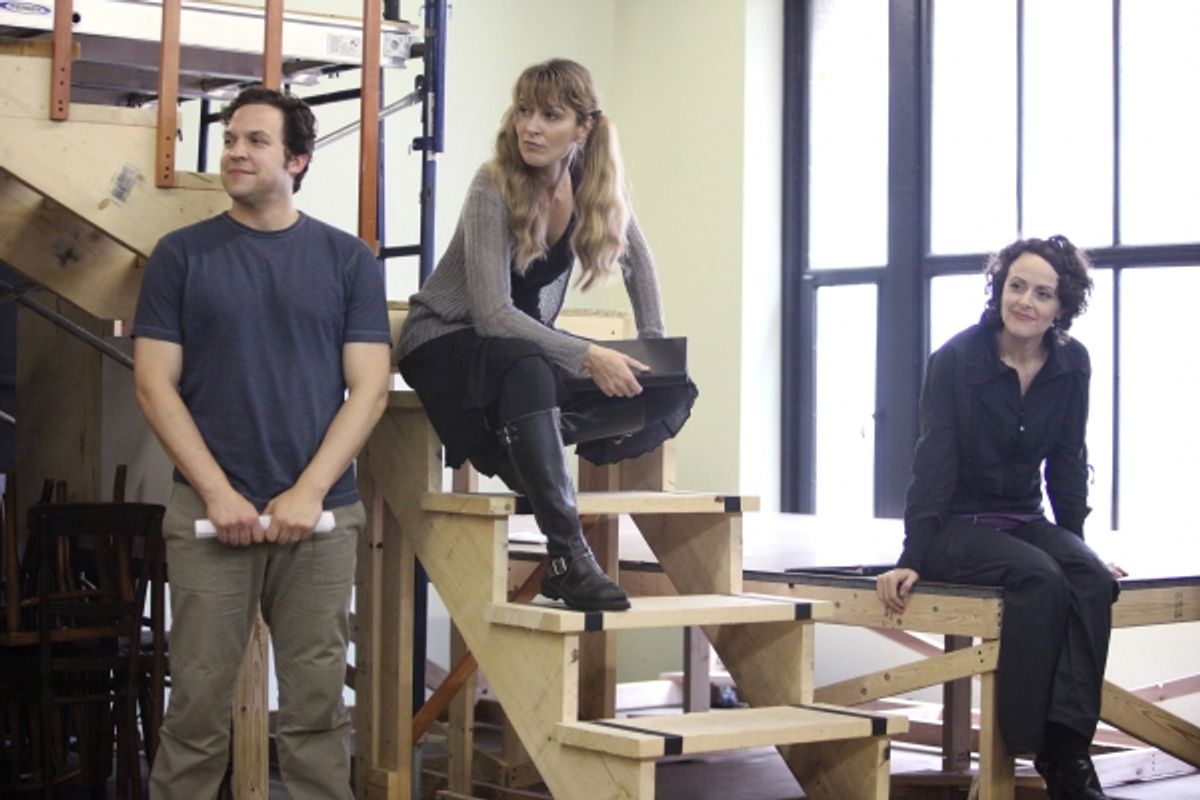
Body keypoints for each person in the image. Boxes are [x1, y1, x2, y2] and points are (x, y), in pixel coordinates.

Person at [132, 86, 391, 799]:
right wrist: (218, 492)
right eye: (230, 139)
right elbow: (154, 384)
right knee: (195, 714)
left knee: (314, 714)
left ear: (298, 160)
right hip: (209, 516)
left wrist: (308, 491)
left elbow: (368, 388)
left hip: (319, 522)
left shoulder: (348, 261)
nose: (236, 152)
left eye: (256, 141)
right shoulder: (181, 256)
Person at [397, 58, 697, 612]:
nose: (530, 126)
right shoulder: (494, 184)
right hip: (446, 341)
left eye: (551, 115)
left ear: (582, 129)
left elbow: (639, 260)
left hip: (517, 356)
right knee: (531, 369)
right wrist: (587, 355)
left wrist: (650, 344)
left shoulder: (591, 183)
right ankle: (569, 559)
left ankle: (528, 441)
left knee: (672, 386)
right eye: (524, 111)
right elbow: (491, 315)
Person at [875, 235, 1124, 800]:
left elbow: (1067, 460)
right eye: (1017, 286)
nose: (1026, 302)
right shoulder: (957, 360)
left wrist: (1077, 544)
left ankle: (1068, 754)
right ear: (999, 288)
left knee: (1087, 577)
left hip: (1023, 519)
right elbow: (931, 464)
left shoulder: (1071, 363)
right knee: (1039, 578)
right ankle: (1028, 740)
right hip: (955, 525)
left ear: (1062, 306)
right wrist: (912, 558)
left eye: (1042, 293)